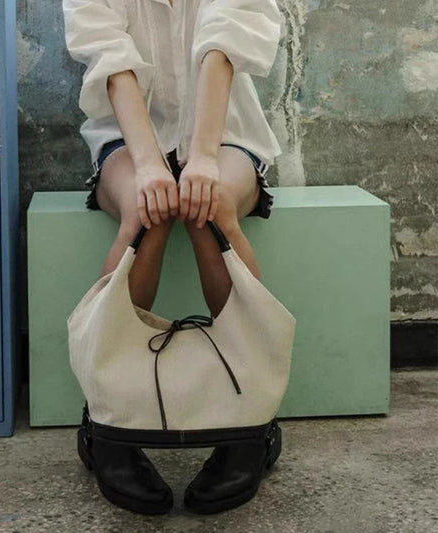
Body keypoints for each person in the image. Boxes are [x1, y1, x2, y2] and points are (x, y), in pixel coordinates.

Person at [62, 0, 284, 515]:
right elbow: (111, 59)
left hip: (225, 135)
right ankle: (109, 424)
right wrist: (148, 165)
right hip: (126, 139)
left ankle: (252, 421)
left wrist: (201, 157)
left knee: (212, 207)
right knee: (147, 213)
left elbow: (222, 45)